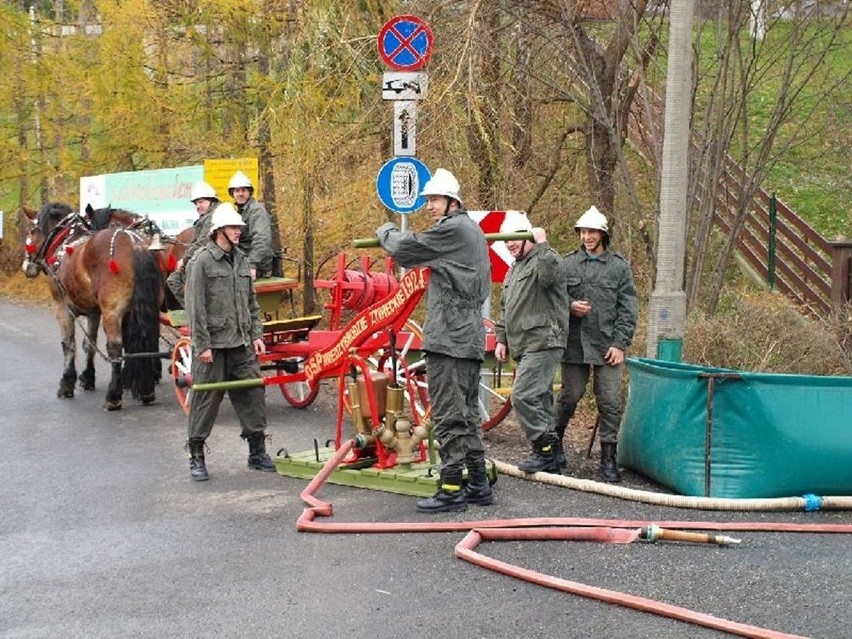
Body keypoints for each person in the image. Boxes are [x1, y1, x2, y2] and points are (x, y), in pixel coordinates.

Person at [375, 168, 492, 513]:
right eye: (426, 201)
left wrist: (385, 230)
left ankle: (451, 488)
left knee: (449, 413)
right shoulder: (472, 230)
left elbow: (406, 249)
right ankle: (477, 483)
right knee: (468, 413)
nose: (429, 206)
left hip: (450, 338)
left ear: (453, 201)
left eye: (435, 200)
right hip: (466, 336)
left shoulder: (453, 229)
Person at [183, 203, 276, 481]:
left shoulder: (242, 260)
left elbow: (251, 303)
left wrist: (257, 335)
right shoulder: (201, 261)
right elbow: (195, 307)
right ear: (219, 231)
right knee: (204, 400)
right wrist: (202, 346)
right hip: (214, 345)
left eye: (239, 228)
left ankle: (256, 452)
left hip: (241, 343)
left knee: (253, 393)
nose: (239, 232)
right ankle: (196, 455)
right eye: (235, 228)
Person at [554, 206, 638, 482]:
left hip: (607, 345)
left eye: (592, 232)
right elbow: (552, 300)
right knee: (570, 396)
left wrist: (620, 344)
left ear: (603, 234)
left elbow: (628, 309)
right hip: (574, 345)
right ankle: (554, 446)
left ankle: (608, 459)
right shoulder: (567, 265)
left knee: (610, 401)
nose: (587, 237)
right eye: (583, 232)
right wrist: (569, 306)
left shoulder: (619, 267)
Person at [494, 212, 570, 475]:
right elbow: (506, 307)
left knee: (522, 396)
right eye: (506, 241)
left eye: (515, 239)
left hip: (545, 340)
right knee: (541, 398)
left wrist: (543, 245)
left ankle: (543, 450)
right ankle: (555, 457)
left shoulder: (546, 259)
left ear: (528, 237)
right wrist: (501, 338)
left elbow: (549, 279)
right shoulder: (515, 269)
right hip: (523, 344)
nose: (510, 245)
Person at [166, 181, 219, 308]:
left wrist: (184, 260)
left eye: (201, 202)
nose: (197, 206)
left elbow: (203, 241)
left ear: (211, 201)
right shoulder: (206, 217)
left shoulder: (212, 217)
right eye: (196, 203)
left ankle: (195, 311)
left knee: (175, 280)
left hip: (213, 260)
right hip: (206, 257)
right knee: (174, 280)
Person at [227, 170, 274, 279]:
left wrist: (252, 264)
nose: (240, 194)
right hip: (241, 259)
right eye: (237, 191)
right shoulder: (237, 211)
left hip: (257, 264)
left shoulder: (257, 211)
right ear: (232, 193)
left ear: (249, 192)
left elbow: (262, 239)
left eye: (243, 190)